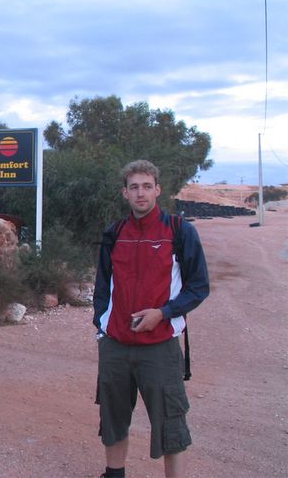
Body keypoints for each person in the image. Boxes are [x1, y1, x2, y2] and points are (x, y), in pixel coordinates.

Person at [93, 160, 209, 478]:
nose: (140, 193)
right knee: (113, 419)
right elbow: (103, 285)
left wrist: (164, 313)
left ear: (158, 189)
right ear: (125, 193)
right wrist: (101, 325)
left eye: (147, 186)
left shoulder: (179, 231)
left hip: (159, 346)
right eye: (134, 187)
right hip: (116, 344)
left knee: (171, 422)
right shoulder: (114, 232)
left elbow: (199, 287)